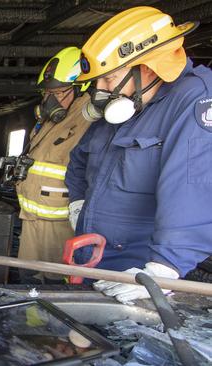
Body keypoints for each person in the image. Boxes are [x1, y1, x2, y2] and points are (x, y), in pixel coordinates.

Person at [65, 6, 212, 303]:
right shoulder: (130, 103)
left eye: (109, 79)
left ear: (146, 68)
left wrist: (162, 269)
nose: (100, 90)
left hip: (137, 271)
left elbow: (193, 190)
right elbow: (80, 158)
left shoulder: (194, 102)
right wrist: (78, 201)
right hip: (92, 255)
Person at [15, 47, 91, 284]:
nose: (50, 100)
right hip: (31, 216)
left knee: (55, 279)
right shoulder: (49, 120)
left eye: (58, 92)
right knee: (28, 275)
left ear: (81, 89)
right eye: (47, 93)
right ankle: (30, 321)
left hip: (59, 221)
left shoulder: (88, 117)